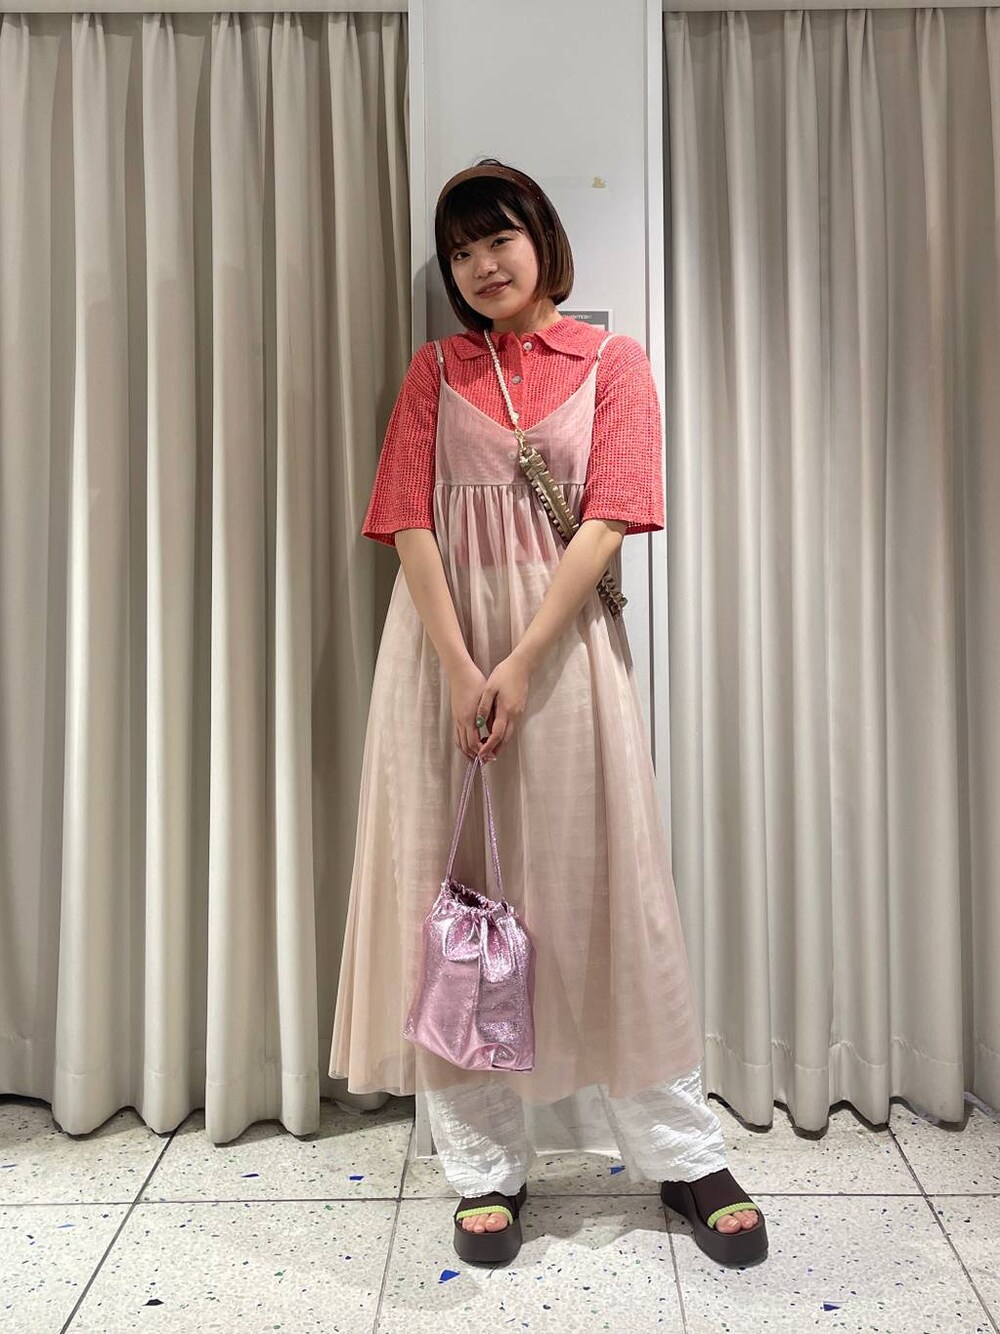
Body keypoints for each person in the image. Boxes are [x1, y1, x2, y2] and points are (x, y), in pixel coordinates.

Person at [329, 158, 767, 1269]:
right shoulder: (434, 370)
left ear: (542, 240)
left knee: (611, 895)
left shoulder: (615, 363)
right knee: (454, 904)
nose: (482, 265)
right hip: (439, 658)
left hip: (562, 657)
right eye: (461, 251)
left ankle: (683, 1153)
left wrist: (519, 661)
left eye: (499, 239)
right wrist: (458, 665)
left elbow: (611, 516)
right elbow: (406, 520)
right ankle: (485, 1168)